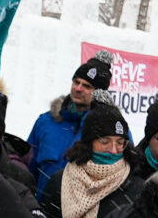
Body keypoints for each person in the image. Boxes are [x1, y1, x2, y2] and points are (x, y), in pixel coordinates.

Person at [26, 53, 113, 197]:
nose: (78, 88)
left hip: (83, 215)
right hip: (40, 213)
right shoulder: (46, 122)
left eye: (87, 86)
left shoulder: (112, 130)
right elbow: (28, 169)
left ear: (99, 94)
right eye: (76, 82)